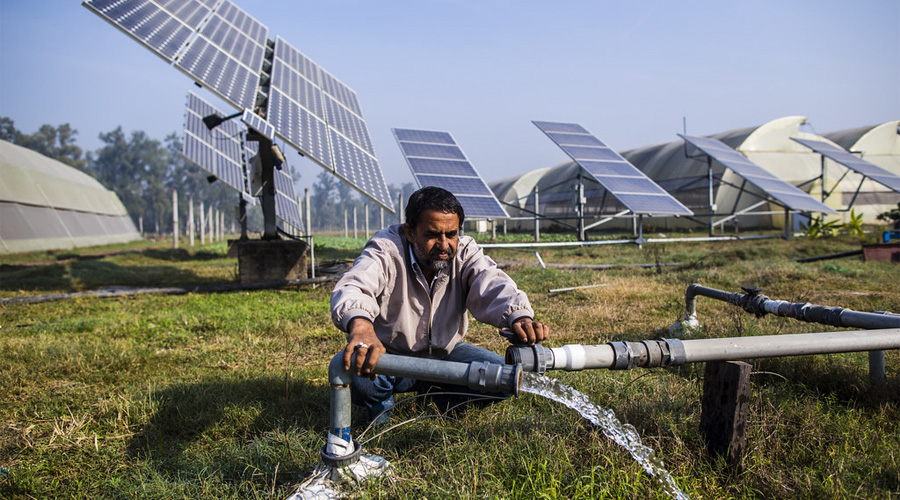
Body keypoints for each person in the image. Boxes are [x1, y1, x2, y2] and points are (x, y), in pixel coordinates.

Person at [331, 186, 549, 424]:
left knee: (505, 379)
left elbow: (492, 284)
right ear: (411, 232)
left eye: (452, 234)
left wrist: (519, 316)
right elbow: (355, 286)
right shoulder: (387, 249)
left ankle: (439, 398)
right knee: (361, 378)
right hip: (391, 357)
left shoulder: (466, 253)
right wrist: (362, 328)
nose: (444, 245)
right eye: (433, 234)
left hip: (446, 355)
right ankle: (382, 401)